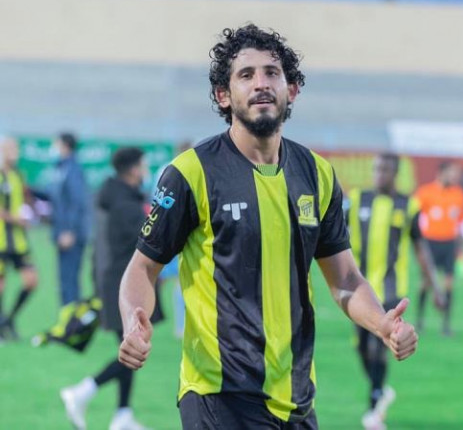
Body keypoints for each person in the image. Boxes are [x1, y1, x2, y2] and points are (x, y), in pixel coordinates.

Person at [117, 24, 418, 430]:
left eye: (272, 73)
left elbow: (345, 279)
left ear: (291, 89)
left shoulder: (317, 174)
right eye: (246, 74)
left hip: (296, 398)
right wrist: (133, 322)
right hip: (218, 395)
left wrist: (382, 323)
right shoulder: (191, 173)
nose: (261, 83)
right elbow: (142, 267)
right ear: (224, 95)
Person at [61, 147, 159, 430]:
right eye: (143, 165)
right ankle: (83, 391)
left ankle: (123, 414)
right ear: (133, 169)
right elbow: (145, 242)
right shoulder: (123, 204)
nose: (145, 170)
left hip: (118, 280)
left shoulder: (119, 197)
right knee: (133, 348)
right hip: (123, 285)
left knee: (131, 345)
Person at [346, 153, 444, 430]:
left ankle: (374, 404)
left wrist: (435, 287)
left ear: (396, 173)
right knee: (361, 348)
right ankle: (380, 389)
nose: (379, 174)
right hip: (359, 290)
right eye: (376, 169)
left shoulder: (407, 206)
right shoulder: (357, 200)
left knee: (379, 346)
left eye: (385, 170)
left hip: (391, 290)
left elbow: (421, 248)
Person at [414, 161, 463, 336]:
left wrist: (461, 249)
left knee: (449, 283)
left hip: (449, 243)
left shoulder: (459, 194)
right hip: (430, 243)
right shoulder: (425, 192)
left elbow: (460, 222)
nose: (455, 177)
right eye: (452, 173)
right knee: (425, 282)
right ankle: (419, 321)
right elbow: (414, 217)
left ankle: (446, 324)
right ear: (441, 173)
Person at [0, 137, 39, 340]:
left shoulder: (18, 175)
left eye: (16, 148)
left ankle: (9, 319)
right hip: (1, 239)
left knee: (31, 281)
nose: (14, 152)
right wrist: (15, 219)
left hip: (19, 240)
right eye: (10, 148)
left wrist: (32, 212)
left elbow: (25, 200)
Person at [153, 140, 192, 339]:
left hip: (163, 231)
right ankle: (180, 324)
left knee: (158, 278)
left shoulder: (163, 170)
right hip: (180, 232)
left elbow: (154, 201)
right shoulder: (187, 171)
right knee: (179, 280)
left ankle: (152, 318)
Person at [49, 132, 88, 305]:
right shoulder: (61, 168)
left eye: (56, 144)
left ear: (64, 145)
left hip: (71, 235)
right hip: (62, 232)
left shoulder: (72, 169)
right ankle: (67, 317)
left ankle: (72, 319)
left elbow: (76, 202)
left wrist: (69, 231)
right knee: (65, 281)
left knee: (70, 281)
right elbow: (54, 196)